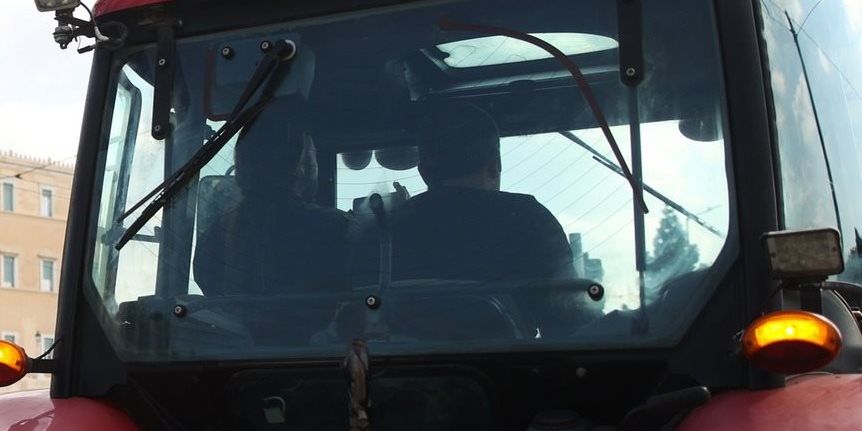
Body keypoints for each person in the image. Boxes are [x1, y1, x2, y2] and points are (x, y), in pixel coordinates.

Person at [389, 102, 577, 328]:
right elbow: (571, 323)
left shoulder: (380, 231)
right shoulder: (527, 218)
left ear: (425, 173)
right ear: (495, 164)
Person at [195, 101, 362, 296]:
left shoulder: (212, 241)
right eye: (313, 153)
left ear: (242, 163)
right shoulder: (337, 229)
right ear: (301, 164)